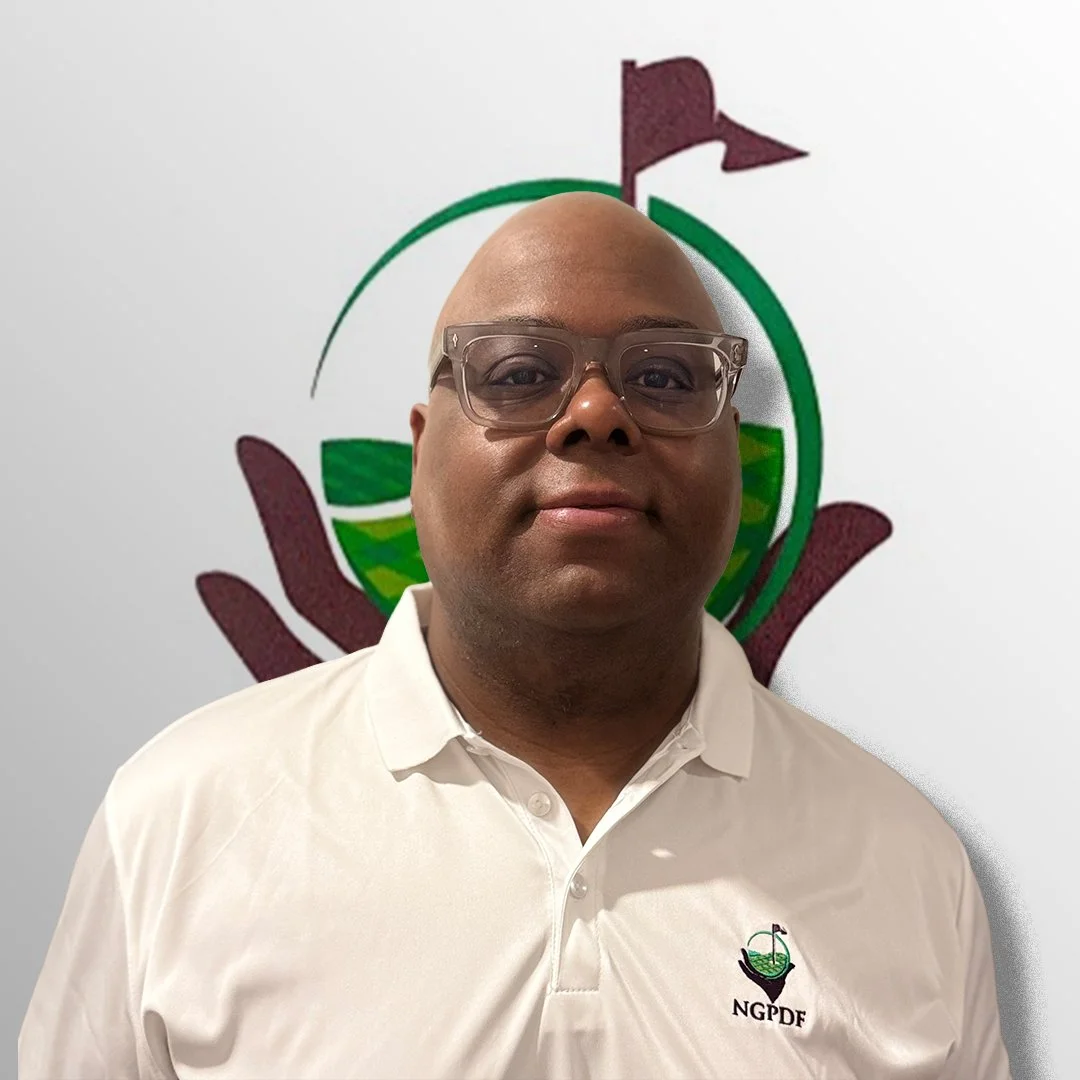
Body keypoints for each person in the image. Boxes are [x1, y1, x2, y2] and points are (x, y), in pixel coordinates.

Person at [19, 192, 1012, 1079]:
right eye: (520, 371)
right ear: (418, 454)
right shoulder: (181, 818)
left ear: (738, 461)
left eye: (666, 379)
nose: (595, 416)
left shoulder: (902, 860)